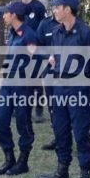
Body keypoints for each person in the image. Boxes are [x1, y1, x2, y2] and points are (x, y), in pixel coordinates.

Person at [37, 0, 90, 178]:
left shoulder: (86, 33)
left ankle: (85, 177)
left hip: (79, 90)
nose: (54, 10)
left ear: (68, 9)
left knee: (80, 134)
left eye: (56, 7)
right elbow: (55, 55)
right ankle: (62, 172)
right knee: (60, 131)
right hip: (58, 88)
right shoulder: (56, 32)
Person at [0, 1, 38, 176]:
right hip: (7, 85)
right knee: (0, 123)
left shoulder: (29, 36)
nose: (3, 16)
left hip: (23, 87)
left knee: (23, 124)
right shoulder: (12, 33)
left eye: (5, 13)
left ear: (14, 15)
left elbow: (37, 60)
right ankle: (9, 158)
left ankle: (23, 161)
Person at [35, 9, 61, 151]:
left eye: (60, 5)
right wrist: (47, 57)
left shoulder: (77, 25)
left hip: (69, 75)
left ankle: (72, 138)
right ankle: (58, 137)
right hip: (49, 72)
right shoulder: (44, 24)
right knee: (53, 106)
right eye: (55, 5)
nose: (57, 9)